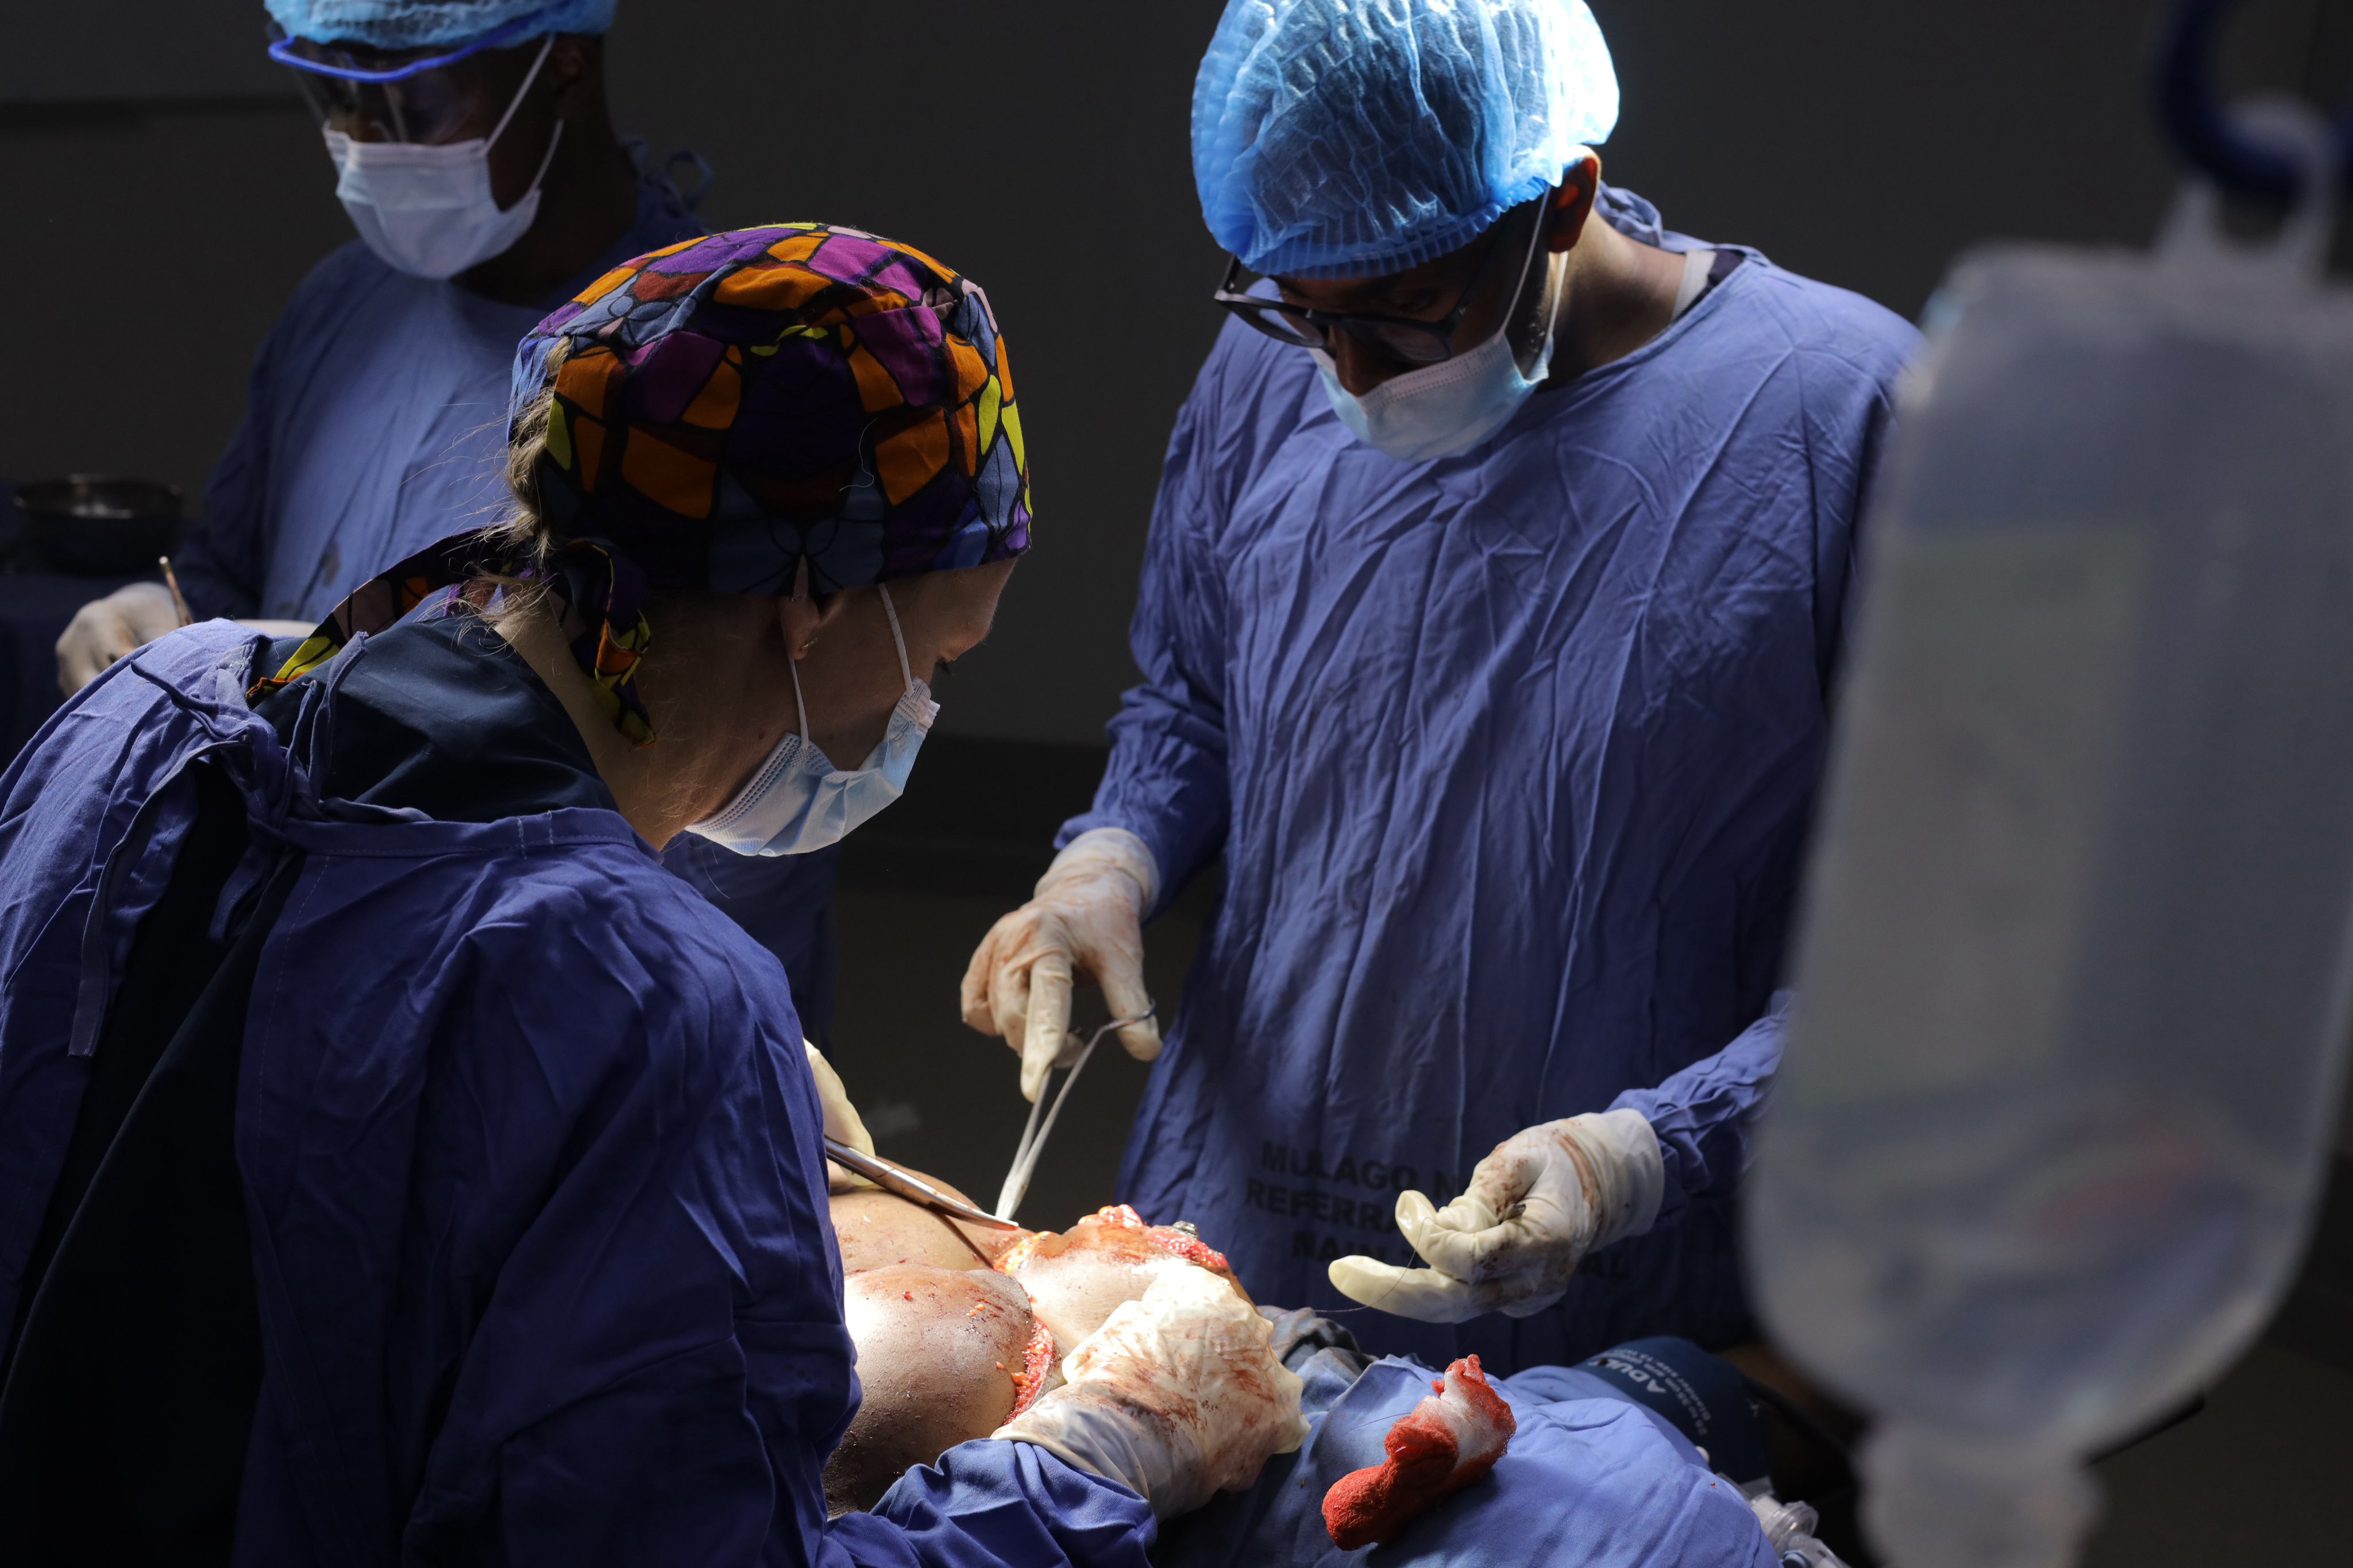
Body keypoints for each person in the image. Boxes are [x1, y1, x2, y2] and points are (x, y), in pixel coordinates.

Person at [0, 226, 1304, 1562]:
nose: (917, 713)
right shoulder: (644, 1004)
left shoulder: (157, 710)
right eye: (942, 662)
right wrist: (1095, 1455)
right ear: (811, 600)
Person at [961, 0, 1922, 1372]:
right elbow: (1192, 700)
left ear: (1564, 199)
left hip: (1607, 1303)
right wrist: (1107, 862)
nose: (1343, 375)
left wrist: (1634, 1161)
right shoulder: (1270, 358)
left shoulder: (1844, 418)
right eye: (1303, 312)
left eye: (1406, 312)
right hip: (1232, 1221)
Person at [49, 0, 846, 1030]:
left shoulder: (706, 370)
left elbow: (739, 814)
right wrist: (164, 624)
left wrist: (681, 1027)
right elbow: (233, 570)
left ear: (561, 63)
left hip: (555, 998)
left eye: (411, 101)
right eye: (332, 96)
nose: (363, 143)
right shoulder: (342, 304)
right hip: (301, 967)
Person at [820, 1179, 1844, 1567]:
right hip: (1535, 1523)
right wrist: (1110, 1438)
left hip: (1472, 1425)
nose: (1091, 1226)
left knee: (1710, 1378)